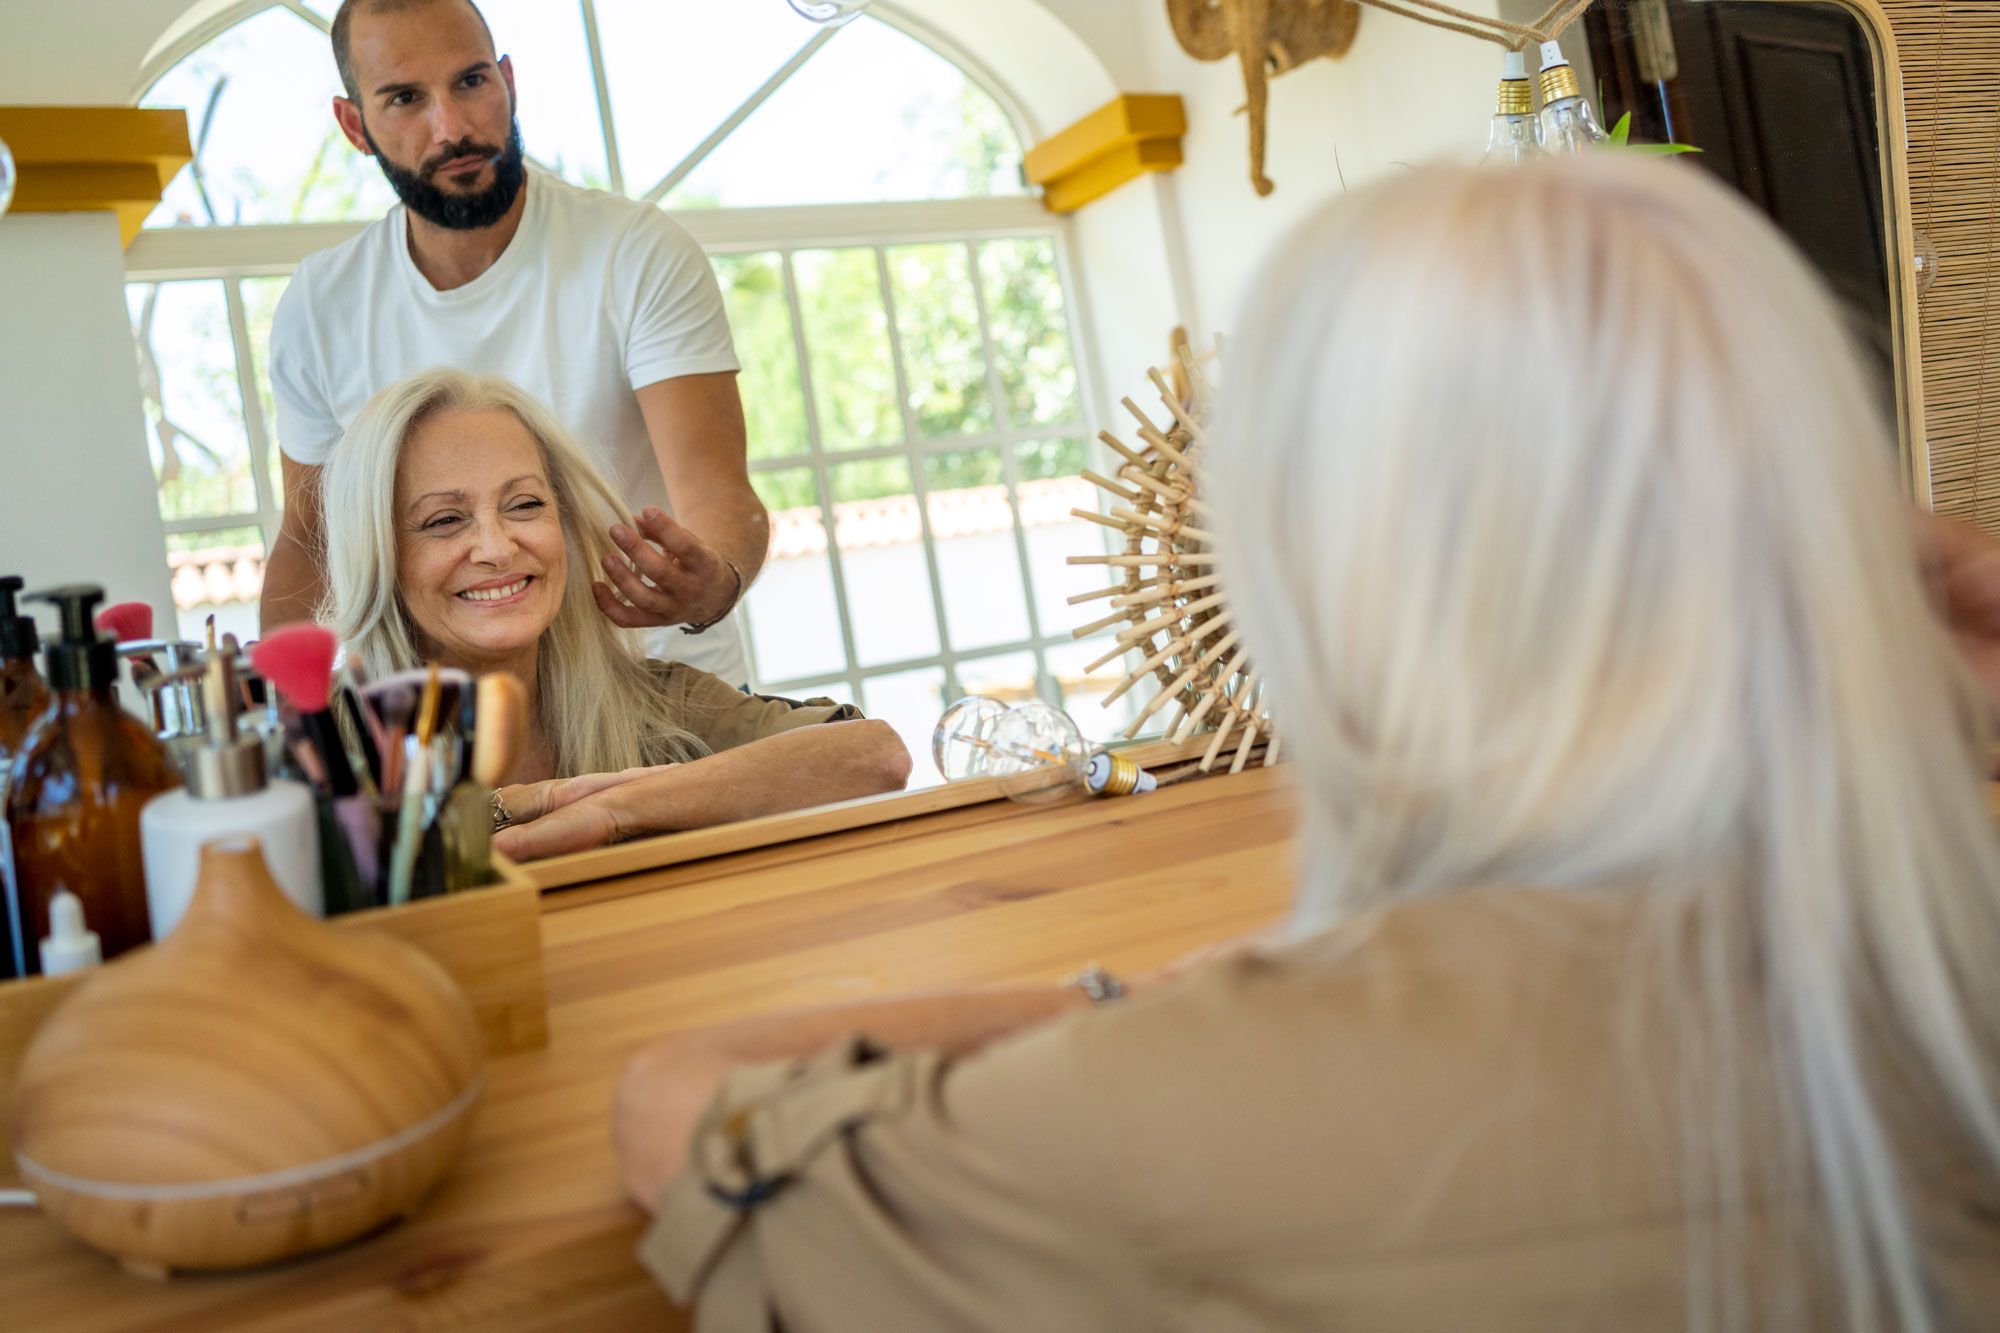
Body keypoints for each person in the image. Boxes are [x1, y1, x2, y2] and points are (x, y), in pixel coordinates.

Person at [610, 156, 2000, 1329]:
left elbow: (679, 1109)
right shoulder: (1940, 976)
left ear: (1322, 587)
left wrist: (1117, 1004)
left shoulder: (1168, 1118)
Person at [262, 0, 763, 685]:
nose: (453, 127)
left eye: (471, 82)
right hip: (458, 722)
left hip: (662, 682)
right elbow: (306, 543)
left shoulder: (635, 251)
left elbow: (720, 494)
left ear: (508, 82)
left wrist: (713, 583)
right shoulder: (319, 306)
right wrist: (281, 708)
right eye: (406, 98)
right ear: (355, 125)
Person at [320, 367, 911, 860]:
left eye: (525, 505)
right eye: (444, 520)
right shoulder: (315, 744)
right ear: (379, 556)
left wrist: (609, 811)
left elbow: (874, 756)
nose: (498, 548)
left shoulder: (659, 703)